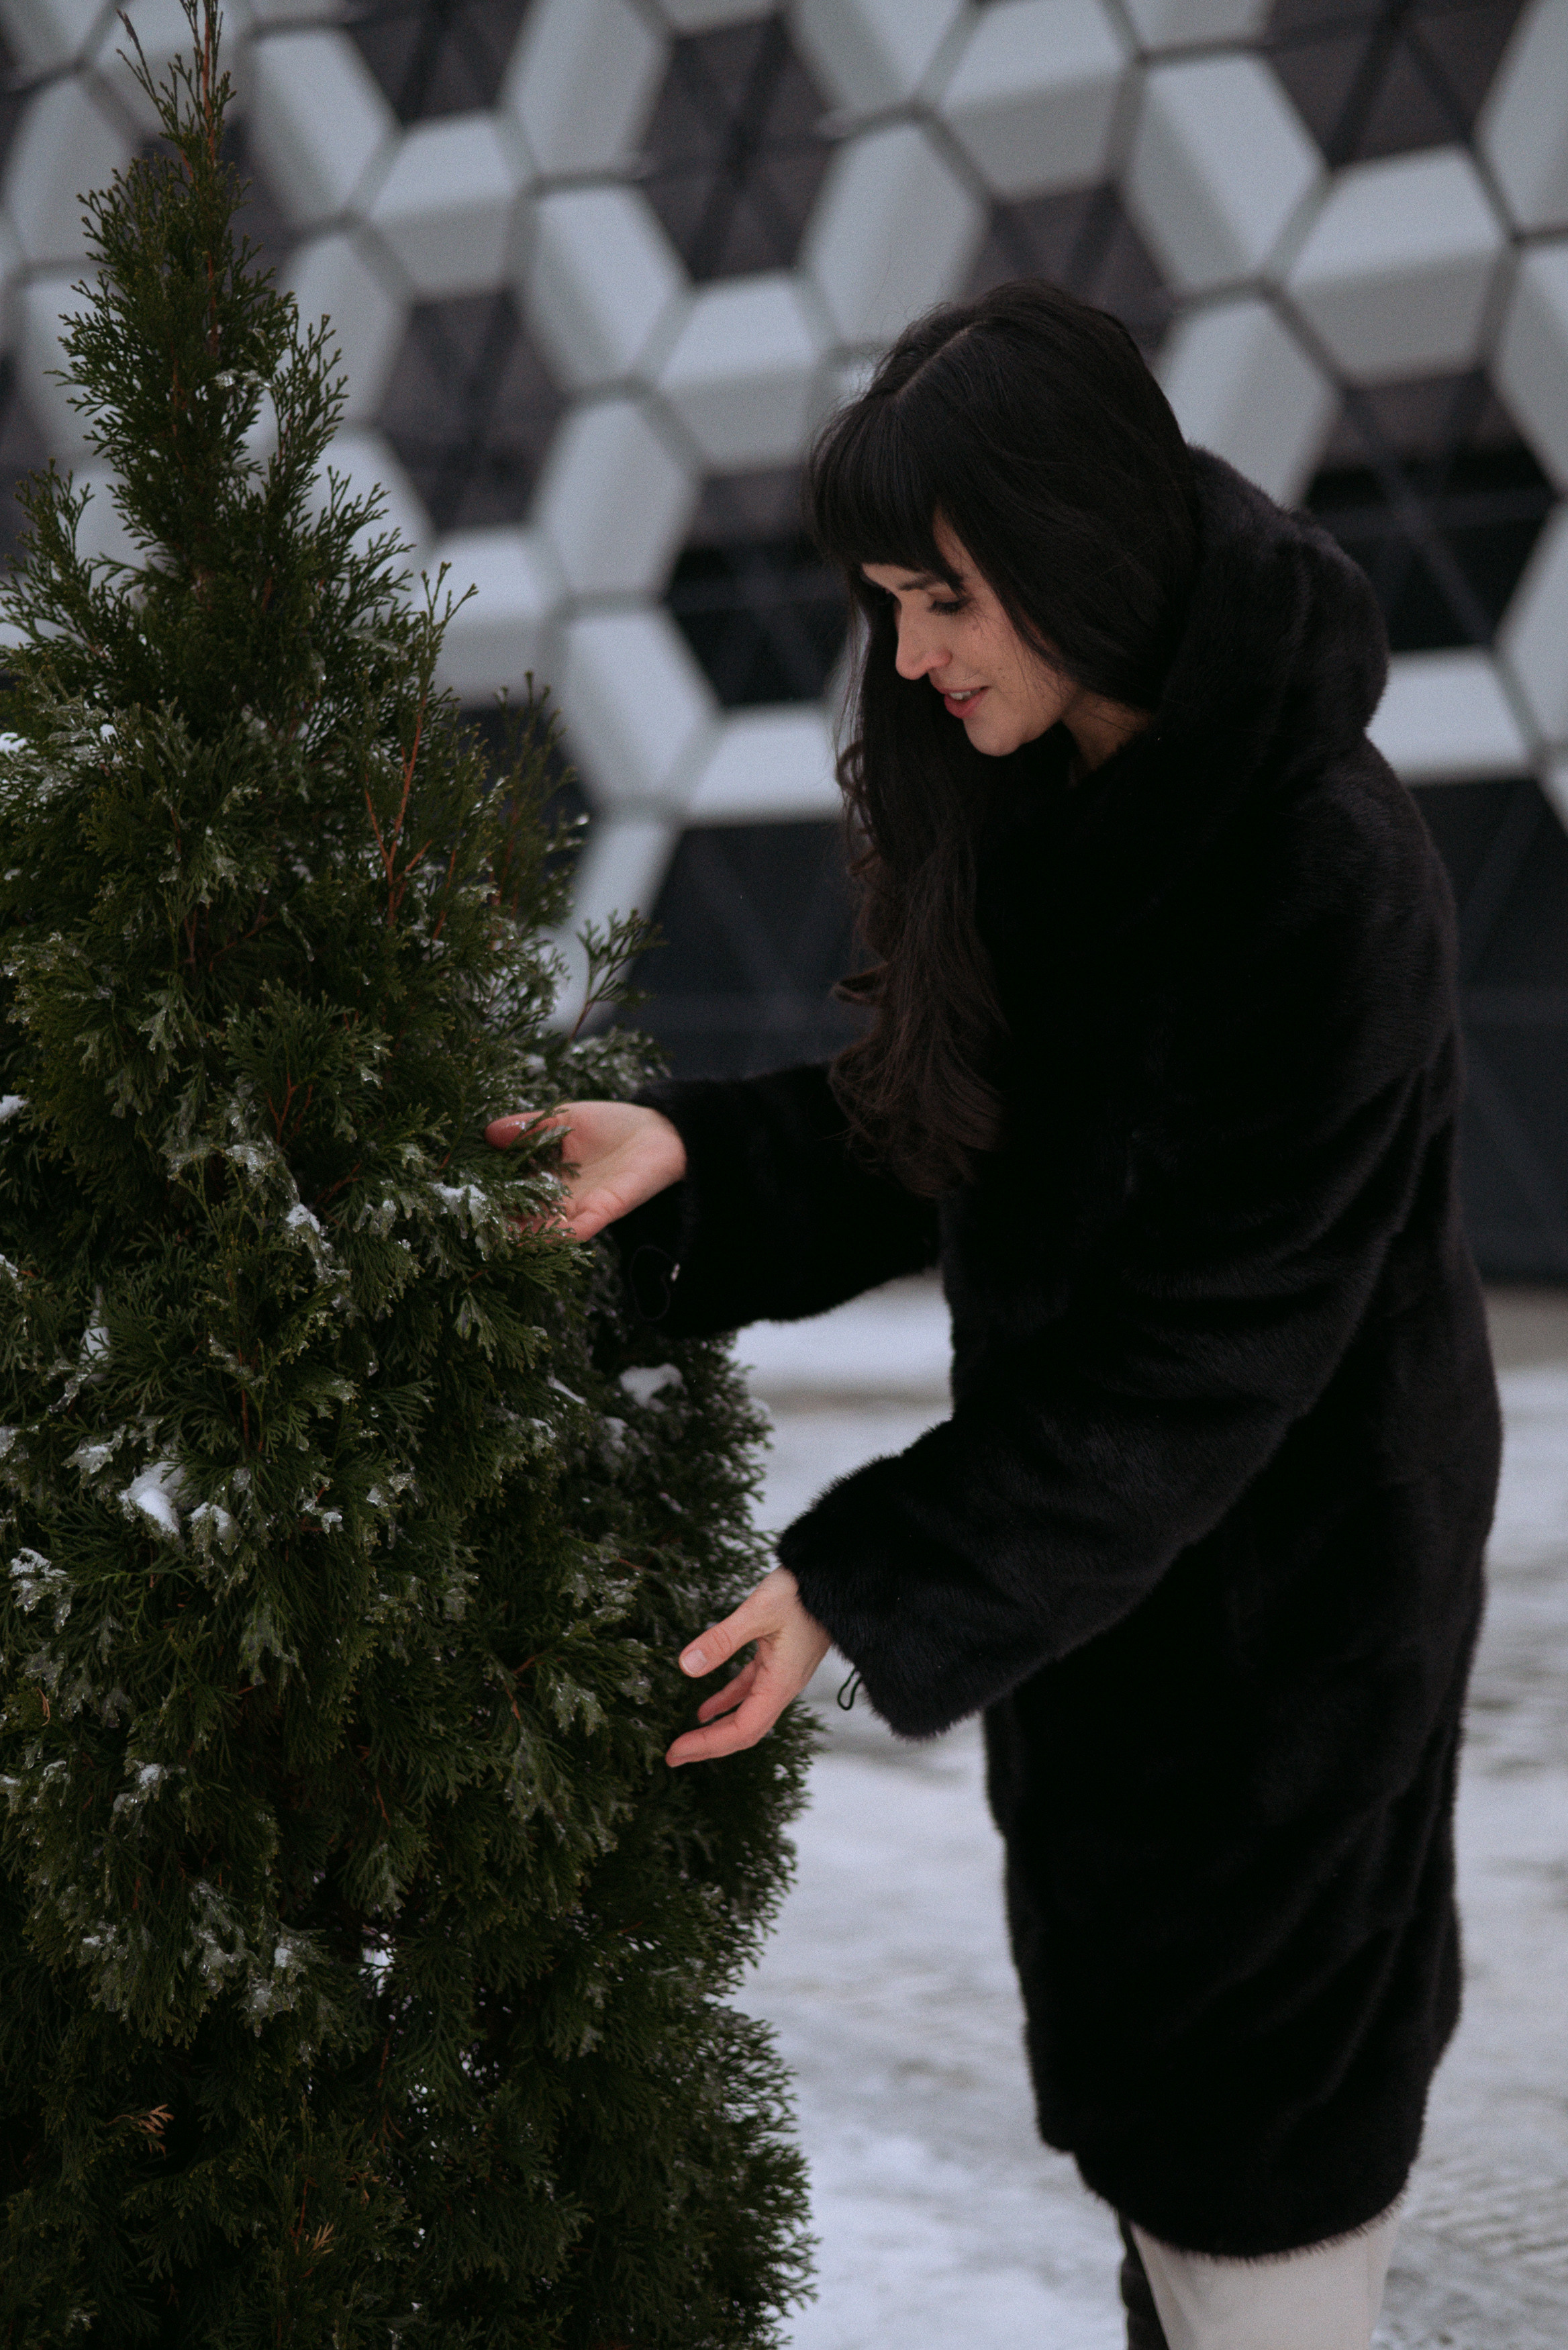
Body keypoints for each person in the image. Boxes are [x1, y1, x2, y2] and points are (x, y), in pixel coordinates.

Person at [487, 280, 1501, 2350]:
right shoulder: (1047, 790)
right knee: (1167, 2205)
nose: (913, 657)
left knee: (1265, 2230)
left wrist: (865, 1576)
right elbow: (929, 1126)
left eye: (943, 599)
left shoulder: (1324, 866)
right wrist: (695, 1161)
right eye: (888, 605)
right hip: (1113, 1642)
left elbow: (1201, 1357)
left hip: (1290, 1654)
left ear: (1076, 545)